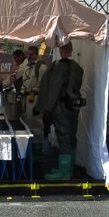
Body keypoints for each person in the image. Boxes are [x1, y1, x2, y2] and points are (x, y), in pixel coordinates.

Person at [33, 41, 84, 180]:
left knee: (63, 138)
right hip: (73, 107)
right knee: (71, 136)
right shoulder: (78, 68)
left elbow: (54, 90)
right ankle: (69, 168)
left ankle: (64, 172)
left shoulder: (59, 67)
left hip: (60, 109)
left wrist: (46, 109)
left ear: (61, 50)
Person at [20, 46, 49, 138]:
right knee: (27, 119)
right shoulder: (26, 67)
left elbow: (44, 85)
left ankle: (39, 143)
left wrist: (40, 103)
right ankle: (30, 141)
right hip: (26, 97)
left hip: (36, 98)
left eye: (31, 54)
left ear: (36, 55)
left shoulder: (42, 67)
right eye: (27, 54)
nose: (28, 56)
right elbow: (25, 82)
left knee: (36, 121)